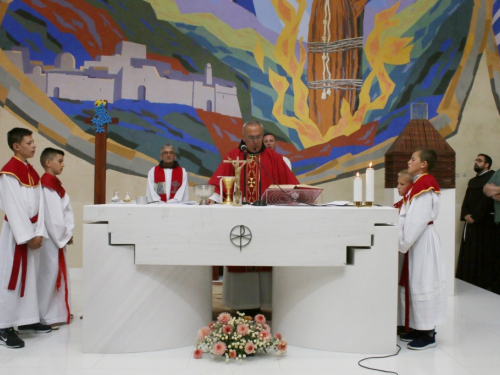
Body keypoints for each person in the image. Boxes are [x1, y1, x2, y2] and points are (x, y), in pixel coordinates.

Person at [207, 121, 299, 314]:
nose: (256, 142)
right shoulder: (234, 157)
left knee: (264, 259)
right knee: (240, 256)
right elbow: (218, 182)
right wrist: (212, 198)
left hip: (267, 222)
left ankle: (265, 302)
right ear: (243, 137)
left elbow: (291, 186)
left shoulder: (274, 158)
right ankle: (241, 304)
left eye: (258, 137)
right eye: (251, 138)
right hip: (238, 220)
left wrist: (296, 199)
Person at [0, 128, 51, 349]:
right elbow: (13, 207)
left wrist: (39, 231)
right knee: (12, 278)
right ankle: (4, 326)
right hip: (16, 235)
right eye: (29, 143)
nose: (34, 146)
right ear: (16, 146)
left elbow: (40, 204)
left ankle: (26, 319)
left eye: (33, 142)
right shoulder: (9, 172)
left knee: (31, 278)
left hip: (32, 232)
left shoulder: (31, 171)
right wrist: (28, 235)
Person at [398, 149, 446, 350]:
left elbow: (417, 219)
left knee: (422, 281)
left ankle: (428, 333)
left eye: (413, 159)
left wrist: (403, 241)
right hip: (416, 240)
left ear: (424, 163)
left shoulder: (424, 185)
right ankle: (417, 327)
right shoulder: (418, 183)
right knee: (414, 281)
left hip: (421, 239)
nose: (409, 161)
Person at [38, 148, 74, 328]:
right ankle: (45, 315)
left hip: (57, 238)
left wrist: (67, 232)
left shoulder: (54, 184)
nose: (63, 164)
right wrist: (64, 235)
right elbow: (53, 218)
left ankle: (57, 312)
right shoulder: (47, 186)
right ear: (48, 163)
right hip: (50, 239)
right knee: (49, 275)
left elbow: (64, 211)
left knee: (56, 274)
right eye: (59, 161)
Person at [456, 154, 496, 290]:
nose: (476, 162)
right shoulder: (473, 181)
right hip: (471, 221)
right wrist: (466, 214)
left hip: (485, 222)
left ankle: (483, 283)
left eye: (479, 160)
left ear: (487, 164)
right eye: (476, 160)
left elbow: (488, 199)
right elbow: (467, 199)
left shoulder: (493, 177)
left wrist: (476, 216)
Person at [483, 168, 500, 294]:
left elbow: (492, 191)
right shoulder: (499, 172)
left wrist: (496, 191)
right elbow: (486, 190)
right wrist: (494, 193)